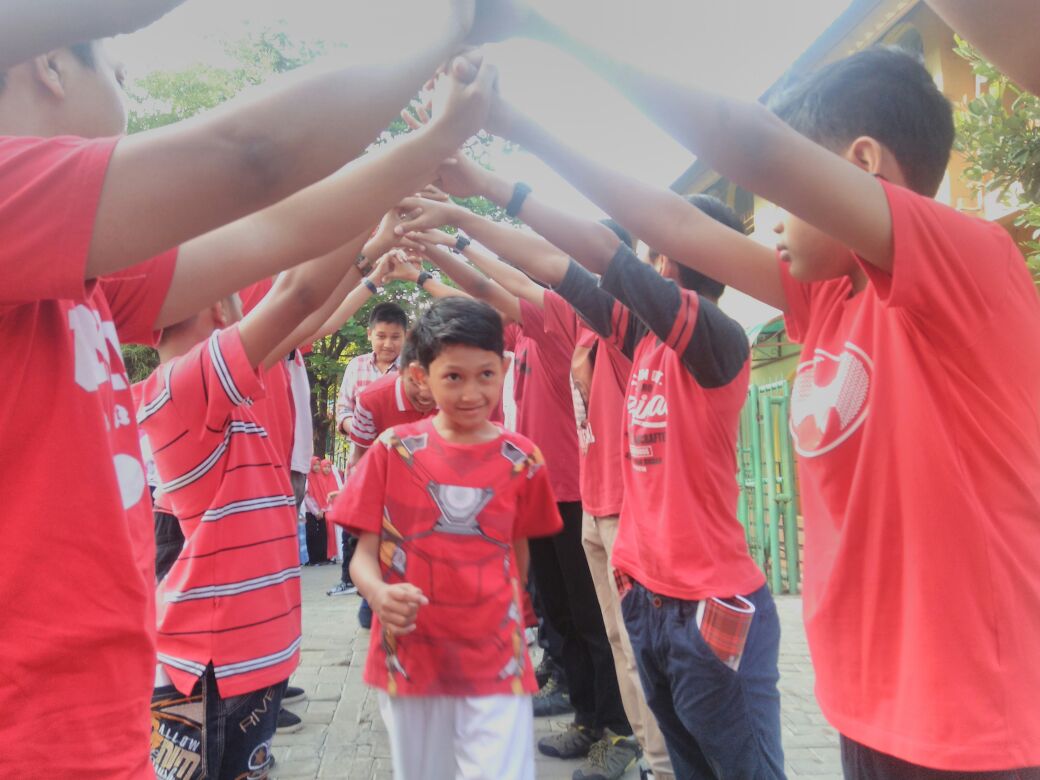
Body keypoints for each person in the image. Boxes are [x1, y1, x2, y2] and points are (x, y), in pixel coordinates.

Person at [473, 13, 1040, 777]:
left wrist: (551, 29)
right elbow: (669, 222)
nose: (766, 223)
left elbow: (747, 140)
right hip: (871, 704)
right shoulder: (827, 299)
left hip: (974, 718)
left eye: (782, 196)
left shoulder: (968, 264)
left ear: (860, 166)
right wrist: (509, 135)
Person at [0, 6, 496, 773]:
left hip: (103, 704)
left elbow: (276, 237)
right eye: (117, 62)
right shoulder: (185, 381)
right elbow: (254, 168)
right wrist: (447, 53)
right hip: (79, 713)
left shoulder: (71, 272)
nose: (127, 78)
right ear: (52, 63)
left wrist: (413, 163)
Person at [401, 179, 773, 778]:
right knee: (678, 755)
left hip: (707, 602)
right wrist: (453, 219)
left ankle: (627, 742)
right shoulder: (640, 336)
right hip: (649, 590)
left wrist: (476, 195)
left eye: (654, 246)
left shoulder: (713, 339)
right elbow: (556, 266)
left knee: (738, 764)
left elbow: (593, 257)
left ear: (669, 257)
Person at [330, 297, 563, 780]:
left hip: (496, 658)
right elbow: (362, 557)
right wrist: (378, 593)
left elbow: (517, 552)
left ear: (503, 369)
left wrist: (509, 613)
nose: (471, 392)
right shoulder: (392, 452)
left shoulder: (523, 460)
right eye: (453, 376)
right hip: (411, 656)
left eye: (485, 375)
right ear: (422, 377)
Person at [329, 301, 410, 602]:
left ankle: (392, 580)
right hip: (363, 457)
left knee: (397, 523)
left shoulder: (412, 368)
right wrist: (361, 429)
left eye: (395, 337)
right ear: (369, 334)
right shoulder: (356, 366)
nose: (388, 344)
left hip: (402, 462)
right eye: (381, 336)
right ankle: (354, 582)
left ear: (406, 336)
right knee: (359, 520)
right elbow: (342, 409)